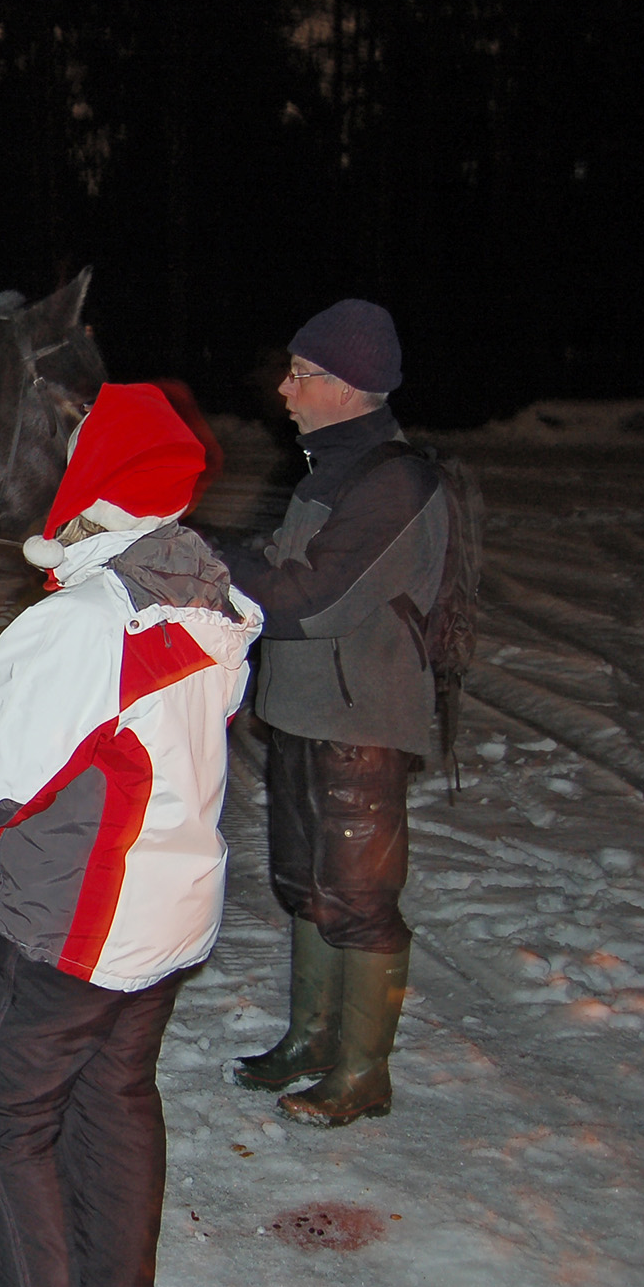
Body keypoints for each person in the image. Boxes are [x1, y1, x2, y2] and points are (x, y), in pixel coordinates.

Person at [0, 383, 262, 1287]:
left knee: (7, 1116)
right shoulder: (204, 597)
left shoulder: (85, 622)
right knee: (112, 1103)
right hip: (166, 918)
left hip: (74, 930)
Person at [220, 299, 446, 1126]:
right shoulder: (333, 469)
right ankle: (312, 1040)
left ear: (351, 387)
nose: (285, 386)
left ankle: (362, 1072)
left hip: (360, 724)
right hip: (308, 713)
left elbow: (307, 600)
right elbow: (281, 569)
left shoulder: (395, 481)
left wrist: (207, 552)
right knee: (307, 886)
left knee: (359, 898)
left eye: (303, 374)